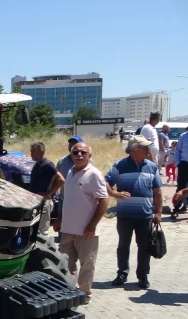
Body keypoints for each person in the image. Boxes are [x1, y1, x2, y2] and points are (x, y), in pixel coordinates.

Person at [105, 136, 162, 289]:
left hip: (145, 216)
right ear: (134, 149)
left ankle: (142, 276)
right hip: (125, 216)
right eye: (145, 147)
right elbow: (105, 184)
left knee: (144, 247)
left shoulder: (152, 166)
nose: (148, 150)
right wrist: (115, 194)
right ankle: (122, 273)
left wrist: (158, 212)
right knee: (123, 245)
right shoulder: (120, 165)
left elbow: (157, 191)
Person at [52, 143, 108, 297]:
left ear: (90, 156)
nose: (79, 155)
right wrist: (59, 218)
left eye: (83, 152)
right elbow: (67, 199)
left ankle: (84, 293)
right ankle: (67, 291)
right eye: (75, 152)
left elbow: (104, 200)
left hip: (86, 232)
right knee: (65, 262)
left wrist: (92, 225)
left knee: (86, 264)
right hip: (67, 229)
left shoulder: (94, 174)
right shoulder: (70, 172)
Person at [29, 142, 65, 235]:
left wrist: (49, 193)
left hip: (44, 202)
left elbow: (60, 179)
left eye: (34, 151)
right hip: (36, 201)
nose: (31, 154)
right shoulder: (37, 164)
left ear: (42, 151)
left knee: (42, 232)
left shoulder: (47, 164)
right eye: (31, 151)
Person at [172, 127, 188, 217]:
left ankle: (185, 206)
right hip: (184, 164)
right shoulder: (183, 136)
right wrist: (178, 163)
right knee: (181, 187)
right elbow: (177, 151)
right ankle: (176, 209)